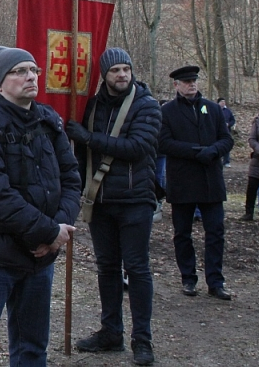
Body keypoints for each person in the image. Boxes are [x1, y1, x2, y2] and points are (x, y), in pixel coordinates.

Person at [0, 46, 81, 366]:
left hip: (40, 258)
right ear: (0, 82)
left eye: (34, 70)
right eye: (20, 71)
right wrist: (48, 232)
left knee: (32, 350)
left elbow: (71, 179)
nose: (30, 77)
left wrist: (58, 230)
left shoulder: (49, 121)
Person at [64, 48, 161, 366]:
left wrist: (89, 138)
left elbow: (137, 147)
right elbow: (83, 155)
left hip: (135, 201)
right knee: (107, 268)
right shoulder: (91, 106)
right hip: (101, 201)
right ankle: (111, 332)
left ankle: (142, 339)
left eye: (126, 69)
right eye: (115, 70)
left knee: (137, 268)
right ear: (104, 75)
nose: (122, 75)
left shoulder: (146, 105)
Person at [158, 65, 233, 300]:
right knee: (183, 233)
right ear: (176, 85)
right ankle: (188, 278)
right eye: (186, 81)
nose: (191, 84)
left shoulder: (212, 108)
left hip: (211, 180)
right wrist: (194, 151)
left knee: (215, 232)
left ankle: (215, 280)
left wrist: (213, 151)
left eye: (194, 81)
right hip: (182, 181)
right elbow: (163, 143)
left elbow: (226, 139)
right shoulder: (167, 111)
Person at [217, 97, 236, 166]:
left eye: (224, 102)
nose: (223, 103)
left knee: (226, 145)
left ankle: (226, 161)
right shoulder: (215, 109)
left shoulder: (228, 111)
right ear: (218, 102)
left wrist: (229, 124)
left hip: (226, 131)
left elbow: (233, 120)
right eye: (221, 101)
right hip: (216, 131)